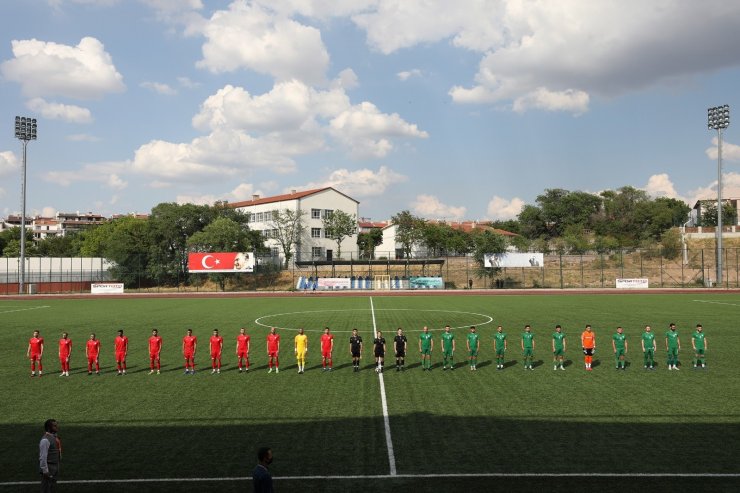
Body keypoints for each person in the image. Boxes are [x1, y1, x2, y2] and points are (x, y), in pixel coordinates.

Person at [39, 419, 61, 493]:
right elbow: (43, 456)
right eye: (54, 426)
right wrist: (45, 471)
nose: (57, 427)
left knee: (52, 487)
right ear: (49, 428)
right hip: (49, 467)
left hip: (55, 465)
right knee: (46, 489)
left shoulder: (54, 437)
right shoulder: (45, 440)